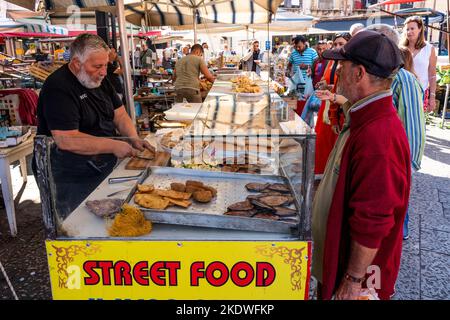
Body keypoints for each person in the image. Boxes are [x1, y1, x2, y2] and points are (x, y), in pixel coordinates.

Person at [312, 30, 411, 300]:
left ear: (359, 74)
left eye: (342, 66)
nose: (337, 72)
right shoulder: (363, 115)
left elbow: (374, 219)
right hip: (338, 261)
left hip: (356, 277)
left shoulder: (379, 135)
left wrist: (353, 280)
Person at [34, 34, 153, 218]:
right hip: (68, 175)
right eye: (97, 66)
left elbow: (120, 115)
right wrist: (114, 145)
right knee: (79, 224)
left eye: (105, 65)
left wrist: (133, 137)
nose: (104, 72)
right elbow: (67, 140)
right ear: (75, 64)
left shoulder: (101, 79)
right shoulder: (58, 88)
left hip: (98, 165)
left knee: (107, 219)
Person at [366, 23, 426, 241]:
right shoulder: (382, 77)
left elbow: (411, 127)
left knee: (397, 206)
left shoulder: (403, 78)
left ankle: (400, 233)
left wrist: (405, 166)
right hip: (382, 156)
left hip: (397, 159)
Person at [313, 32, 351, 175]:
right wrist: (323, 85)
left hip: (340, 106)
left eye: (341, 44)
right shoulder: (331, 61)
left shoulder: (349, 65)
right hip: (328, 104)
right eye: (335, 44)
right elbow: (326, 79)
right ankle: (322, 173)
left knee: (335, 143)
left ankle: (331, 175)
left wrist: (331, 91)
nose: (337, 47)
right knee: (323, 142)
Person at [401, 16, 437, 112]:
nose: (409, 32)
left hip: (420, 93)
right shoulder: (400, 49)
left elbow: (432, 74)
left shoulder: (429, 49)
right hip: (401, 92)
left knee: (417, 123)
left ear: (420, 29)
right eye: (407, 29)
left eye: (412, 28)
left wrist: (432, 96)